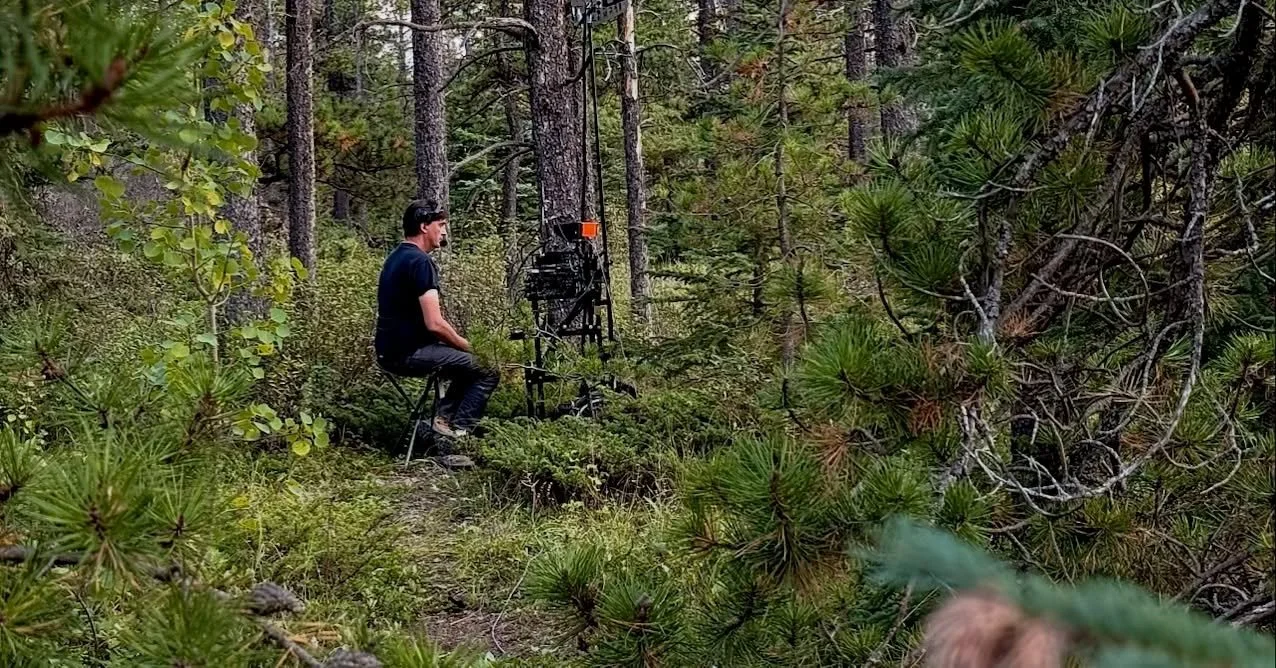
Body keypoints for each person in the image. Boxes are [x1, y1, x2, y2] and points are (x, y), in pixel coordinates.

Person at [375, 199, 499, 446]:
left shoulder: (396, 257)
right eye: (440, 224)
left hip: (388, 351)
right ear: (424, 226)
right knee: (488, 368)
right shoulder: (421, 262)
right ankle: (459, 435)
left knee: (463, 363)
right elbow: (435, 324)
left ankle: (443, 420)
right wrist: (471, 347)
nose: (444, 231)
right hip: (409, 353)